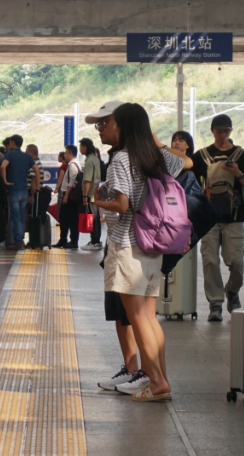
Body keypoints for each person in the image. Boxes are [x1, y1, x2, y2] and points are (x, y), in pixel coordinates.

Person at [90, 102, 181, 402]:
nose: (102, 128)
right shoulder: (155, 157)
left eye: (107, 123)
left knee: (137, 318)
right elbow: (185, 163)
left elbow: (122, 204)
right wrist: (160, 143)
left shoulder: (121, 158)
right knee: (149, 318)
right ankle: (161, 379)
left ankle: (156, 382)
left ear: (124, 126)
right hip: (153, 245)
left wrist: (97, 200)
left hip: (128, 244)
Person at [191, 114, 244, 322]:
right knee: (210, 260)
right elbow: (190, 183)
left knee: (236, 261)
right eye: (219, 131)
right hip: (209, 217)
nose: (223, 135)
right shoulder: (201, 156)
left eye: (226, 131)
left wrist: (237, 173)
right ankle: (215, 304)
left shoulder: (241, 155)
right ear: (212, 131)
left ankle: (232, 290)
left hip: (234, 216)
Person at [0, 135, 33, 249]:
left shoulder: (9, 154)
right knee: (22, 216)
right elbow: (36, 170)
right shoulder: (27, 156)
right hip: (24, 190)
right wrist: (37, 185)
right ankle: (21, 240)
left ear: (12, 142)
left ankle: (18, 242)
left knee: (16, 217)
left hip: (14, 189)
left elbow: (3, 167)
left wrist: (5, 181)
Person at [79, 138, 104, 250]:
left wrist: (85, 196)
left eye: (81, 147)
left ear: (85, 147)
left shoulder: (89, 161)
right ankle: (95, 240)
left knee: (93, 218)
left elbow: (87, 180)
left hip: (90, 194)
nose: (80, 149)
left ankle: (95, 241)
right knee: (96, 218)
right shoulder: (95, 159)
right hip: (96, 192)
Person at [57, 145, 83, 250]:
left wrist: (66, 195)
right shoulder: (76, 163)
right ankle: (67, 240)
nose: (64, 155)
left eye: (66, 153)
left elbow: (72, 182)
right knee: (71, 219)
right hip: (73, 196)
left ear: (71, 154)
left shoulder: (72, 165)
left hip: (70, 197)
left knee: (67, 219)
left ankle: (71, 241)